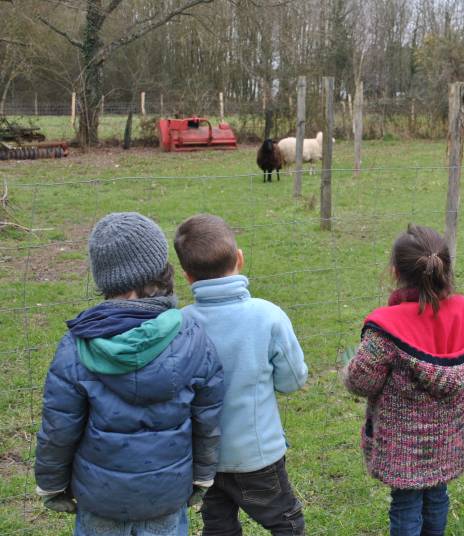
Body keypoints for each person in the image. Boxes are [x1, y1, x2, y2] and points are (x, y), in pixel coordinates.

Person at [35, 212, 224, 536]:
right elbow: (206, 419)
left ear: (104, 277)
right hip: (166, 497)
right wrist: (203, 475)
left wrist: (52, 484)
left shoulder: (76, 347)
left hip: (100, 502)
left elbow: (59, 428)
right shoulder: (194, 337)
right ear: (158, 269)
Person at [342, 224, 464, 536]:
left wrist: (348, 366)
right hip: (447, 438)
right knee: (437, 496)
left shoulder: (386, 329)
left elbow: (360, 381)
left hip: (402, 445)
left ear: (395, 271)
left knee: (406, 506)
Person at [174, 214, 308, 536]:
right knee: (285, 521)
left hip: (204, 456)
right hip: (257, 454)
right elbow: (293, 380)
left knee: (218, 525)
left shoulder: (180, 324)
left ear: (188, 276)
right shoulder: (268, 316)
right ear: (240, 259)